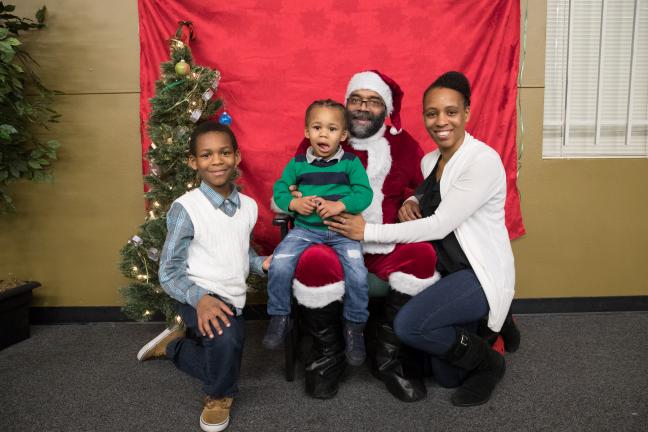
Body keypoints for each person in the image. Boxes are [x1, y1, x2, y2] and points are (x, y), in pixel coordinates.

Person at [325, 71, 515, 406]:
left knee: (411, 327)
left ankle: (490, 361)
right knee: (445, 376)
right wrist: (412, 200)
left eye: (451, 112)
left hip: (476, 272)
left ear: (467, 113)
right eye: (432, 113)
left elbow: (440, 224)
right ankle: (487, 330)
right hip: (445, 268)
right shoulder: (431, 161)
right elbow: (428, 194)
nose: (441, 121)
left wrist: (367, 231)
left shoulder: (482, 161)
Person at [284, 71, 441, 401]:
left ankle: (388, 357)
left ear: (385, 109)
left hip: (384, 241)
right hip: (331, 239)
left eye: (373, 101)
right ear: (346, 104)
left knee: (424, 255)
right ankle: (328, 357)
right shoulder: (320, 138)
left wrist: (412, 200)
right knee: (312, 260)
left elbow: (423, 186)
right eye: (356, 99)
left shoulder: (404, 144)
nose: (363, 107)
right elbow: (292, 185)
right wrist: (300, 200)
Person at [136, 121, 271, 432]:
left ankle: (174, 347)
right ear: (193, 162)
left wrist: (262, 263)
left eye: (224, 153)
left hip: (233, 294)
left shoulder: (248, 206)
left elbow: (240, 252)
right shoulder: (186, 208)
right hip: (196, 294)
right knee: (228, 340)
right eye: (206, 155)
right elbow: (168, 272)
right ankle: (219, 395)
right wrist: (200, 299)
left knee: (225, 351)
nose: (217, 161)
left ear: (236, 157)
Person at [264, 99, 373, 366]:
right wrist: (294, 203)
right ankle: (280, 316)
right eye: (317, 127)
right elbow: (280, 189)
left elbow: (364, 194)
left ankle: (354, 326)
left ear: (343, 135)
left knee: (358, 274)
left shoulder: (350, 163)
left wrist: (340, 204)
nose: (323, 134)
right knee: (279, 264)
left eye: (332, 128)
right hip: (305, 230)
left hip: (341, 231)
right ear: (307, 132)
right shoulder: (298, 164)